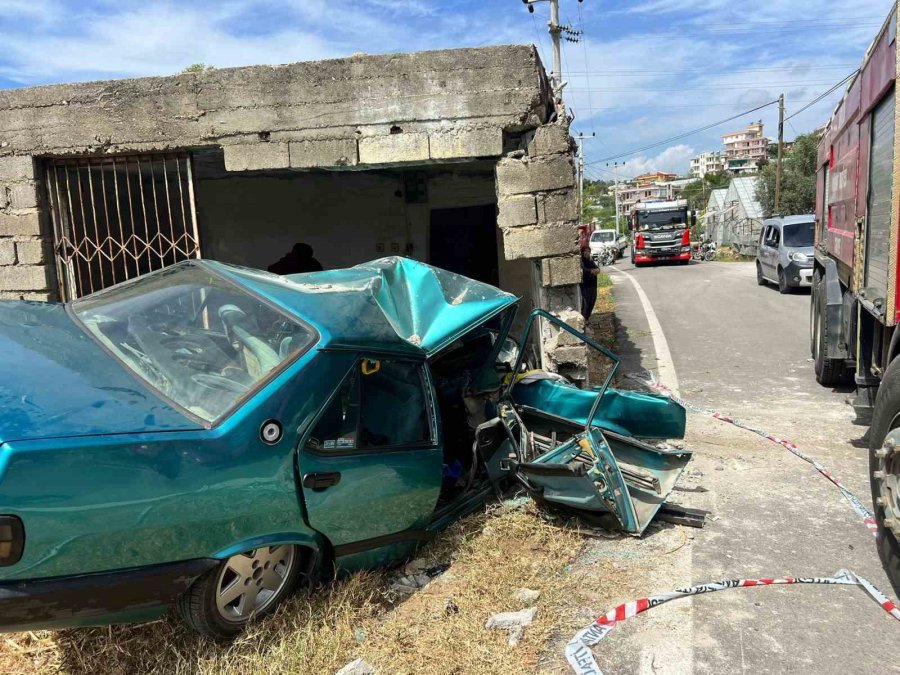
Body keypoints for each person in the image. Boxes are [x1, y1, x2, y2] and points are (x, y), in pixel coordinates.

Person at [580, 245, 600, 322]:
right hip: (585, 286)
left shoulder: (590, 260)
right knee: (586, 303)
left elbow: (597, 268)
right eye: (585, 251)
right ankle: (584, 319)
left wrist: (597, 270)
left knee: (592, 301)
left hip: (593, 285)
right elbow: (583, 271)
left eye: (588, 251)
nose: (586, 253)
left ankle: (587, 318)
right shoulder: (581, 261)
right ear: (582, 252)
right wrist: (591, 271)